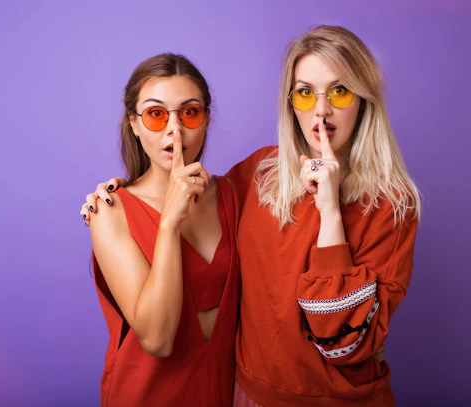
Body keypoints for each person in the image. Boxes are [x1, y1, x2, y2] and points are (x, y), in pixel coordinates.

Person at [83, 25, 420, 406]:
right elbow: (157, 336)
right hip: (222, 393)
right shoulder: (258, 176)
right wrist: (126, 192)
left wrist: (330, 211)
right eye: (305, 93)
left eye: (340, 91)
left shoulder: (390, 204)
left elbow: (342, 339)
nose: (321, 110)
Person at [85, 53, 239, 407]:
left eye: (190, 112)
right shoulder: (110, 211)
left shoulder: (234, 194)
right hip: (146, 394)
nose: (175, 129)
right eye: (156, 114)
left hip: (222, 391)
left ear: (205, 120)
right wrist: (169, 222)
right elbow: (157, 339)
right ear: (134, 124)